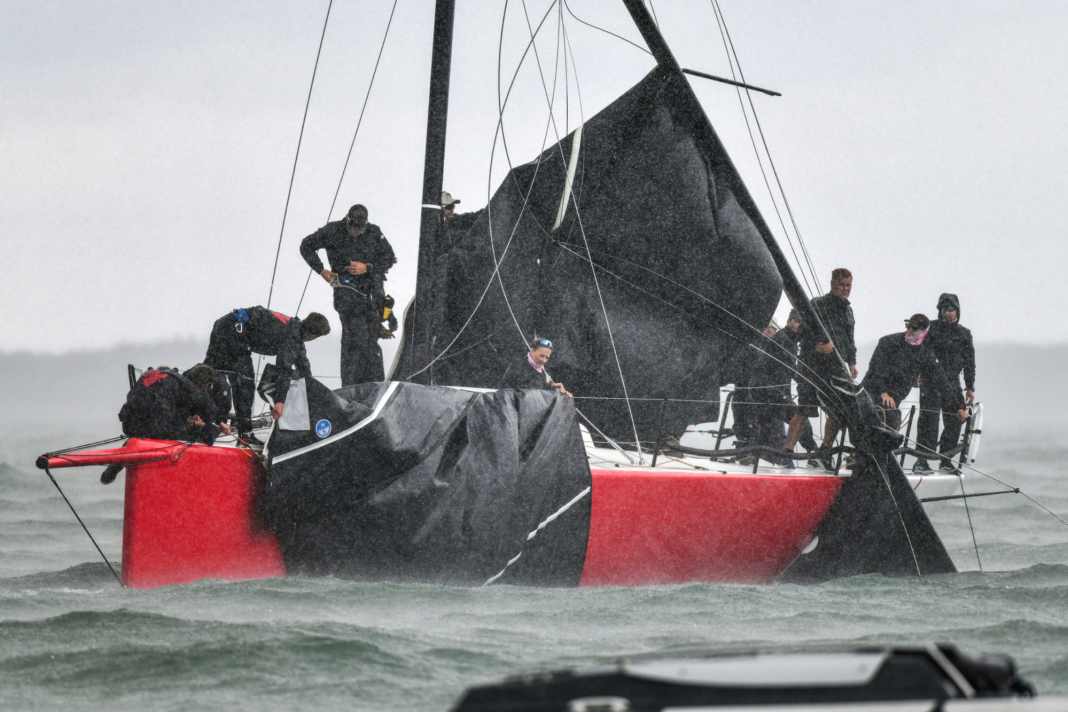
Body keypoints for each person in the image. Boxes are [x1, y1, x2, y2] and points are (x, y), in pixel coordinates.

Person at [299, 203, 396, 386]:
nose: (356, 233)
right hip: (346, 292)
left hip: (371, 294)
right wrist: (322, 271)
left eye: (360, 229)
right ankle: (355, 388)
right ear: (347, 221)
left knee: (370, 341)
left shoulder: (374, 233)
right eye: (353, 229)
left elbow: (390, 258)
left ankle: (372, 388)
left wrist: (367, 267)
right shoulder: (332, 231)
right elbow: (306, 246)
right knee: (355, 342)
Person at [203, 306, 330, 443]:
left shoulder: (295, 331)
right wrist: (280, 402)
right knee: (244, 381)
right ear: (312, 334)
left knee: (208, 375)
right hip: (232, 330)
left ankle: (202, 420)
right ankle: (244, 434)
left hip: (224, 325)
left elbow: (304, 368)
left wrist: (316, 394)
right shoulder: (292, 336)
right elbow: (284, 369)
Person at [103, 364, 229, 483]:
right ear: (204, 384)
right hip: (156, 429)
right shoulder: (189, 388)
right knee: (203, 435)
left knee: (162, 423)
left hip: (130, 425)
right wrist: (215, 425)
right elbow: (208, 408)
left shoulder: (163, 375)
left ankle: (123, 454)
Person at [861, 313, 967, 435]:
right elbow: (876, 370)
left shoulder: (925, 355)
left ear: (924, 332)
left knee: (891, 425)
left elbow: (942, 381)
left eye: (915, 329)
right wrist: (883, 392)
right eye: (909, 326)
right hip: (871, 392)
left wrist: (958, 406)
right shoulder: (888, 342)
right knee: (886, 420)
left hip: (893, 400)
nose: (910, 331)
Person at [795, 268, 858, 469]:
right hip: (813, 365)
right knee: (805, 408)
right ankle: (787, 451)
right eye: (841, 285)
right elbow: (803, 331)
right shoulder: (817, 304)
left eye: (848, 286)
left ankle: (824, 451)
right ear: (832, 284)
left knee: (839, 410)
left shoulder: (848, 310)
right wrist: (817, 346)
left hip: (837, 368)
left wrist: (852, 362)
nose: (845, 289)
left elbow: (850, 339)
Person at [915, 293, 976, 473]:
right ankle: (922, 461)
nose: (949, 313)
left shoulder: (964, 334)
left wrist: (970, 387)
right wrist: (917, 373)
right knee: (929, 422)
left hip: (953, 383)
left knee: (955, 421)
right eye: (945, 310)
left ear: (957, 311)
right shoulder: (930, 329)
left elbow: (969, 362)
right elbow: (920, 354)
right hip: (931, 382)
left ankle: (946, 460)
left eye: (952, 310)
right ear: (940, 311)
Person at [741, 315, 801, 466]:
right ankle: (765, 458)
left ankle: (778, 460)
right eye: (765, 329)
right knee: (785, 423)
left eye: (771, 329)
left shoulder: (785, 342)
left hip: (775, 393)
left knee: (777, 428)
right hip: (766, 393)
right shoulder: (776, 343)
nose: (768, 331)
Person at [500, 337, 572, 397]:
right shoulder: (518, 366)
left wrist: (560, 394)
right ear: (532, 350)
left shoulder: (544, 371)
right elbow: (505, 393)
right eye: (541, 356)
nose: (544, 361)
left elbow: (543, 392)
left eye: (547, 358)